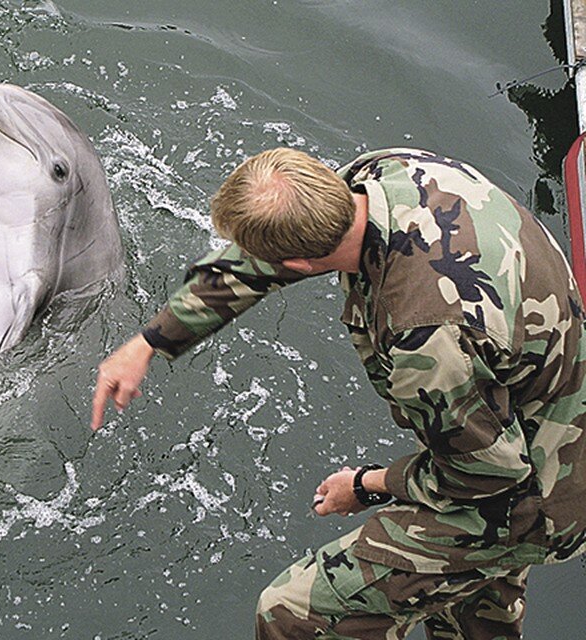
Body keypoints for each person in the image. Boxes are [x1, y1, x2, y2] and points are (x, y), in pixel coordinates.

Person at [89, 147, 586, 639]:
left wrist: (369, 484)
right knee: (465, 601)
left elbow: (485, 476)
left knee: (295, 615)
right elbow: (267, 252)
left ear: (301, 264)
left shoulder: (424, 335)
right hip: (528, 408)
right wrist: (151, 340)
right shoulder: (384, 174)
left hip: (536, 495)